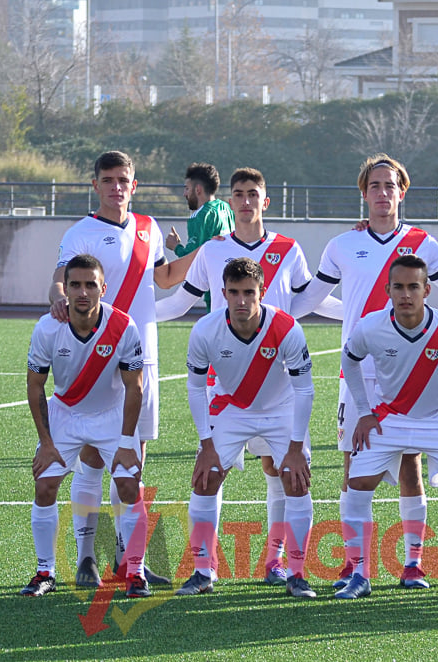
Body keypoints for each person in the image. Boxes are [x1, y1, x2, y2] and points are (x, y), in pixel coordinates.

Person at [291, 153, 438, 590]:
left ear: (402, 192)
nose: (383, 193)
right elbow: (310, 298)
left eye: (391, 186)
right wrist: (267, 321)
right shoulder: (342, 245)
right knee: (354, 467)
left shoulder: (425, 244)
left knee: (410, 462)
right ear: (364, 193)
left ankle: (413, 564)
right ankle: (356, 567)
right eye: (375, 185)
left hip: (411, 373)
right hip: (357, 374)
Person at [157, 166, 339, 586]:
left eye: (253, 193)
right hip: (229, 388)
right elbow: (180, 302)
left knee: (283, 473)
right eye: (238, 193)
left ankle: (281, 565)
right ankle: (204, 569)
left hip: (278, 386)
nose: (245, 200)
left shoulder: (288, 248)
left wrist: (365, 311)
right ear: (230, 200)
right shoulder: (213, 249)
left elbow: (311, 300)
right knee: (208, 475)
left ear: (265, 200)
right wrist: (131, 317)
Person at [48, 150, 187, 589]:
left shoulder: (148, 228)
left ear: (134, 184)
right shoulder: (81, 231)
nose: (116, 186)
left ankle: (130, 561)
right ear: (95, 185)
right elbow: (60, 275)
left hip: (140, 356)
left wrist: (204, 251)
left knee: (133, 461)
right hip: (95, 355)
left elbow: (164, 280)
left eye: (123, 179)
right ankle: (86, 558)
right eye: (107, 179)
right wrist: (57, 297)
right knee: (92, 457)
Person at [337, 254, 438, 600]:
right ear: (388, 290)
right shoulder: (371, 326)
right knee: (357, 485)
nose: (406, 294)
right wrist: (364, 411)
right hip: (389, 417)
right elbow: (350, 359)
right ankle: (360, 574)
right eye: (399, 287)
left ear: (427, 290)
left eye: (414, 287)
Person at [176, 257, 317, 599]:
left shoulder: (285, 328)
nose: (241, 300)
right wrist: (205, 443)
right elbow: (196, 388)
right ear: (223, 293)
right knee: (205, 478)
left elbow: (305, 390)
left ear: (262, 293)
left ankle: (295, 573)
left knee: (295, 482)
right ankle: (203, 570)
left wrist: (296, 448)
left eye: (249, 293)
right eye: (234, 292)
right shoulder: (205, 330)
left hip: (279, 410)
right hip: (231, 408)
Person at [22, 254, 150, 598]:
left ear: (103, 289)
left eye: (90, 285)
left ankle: (135, 573)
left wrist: (126, 441)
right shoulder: (48, 327)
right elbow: (36, 387)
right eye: (75, 284)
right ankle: (44, 571)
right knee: (45, 486)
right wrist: (46, 443)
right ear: (65, 288)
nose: (82, 292)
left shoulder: (124, 327)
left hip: (111, 415)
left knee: (128, 485)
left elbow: (135, 387)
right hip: (65, 413)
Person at [165, 162, 236, 312]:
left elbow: (191, 260)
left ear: (197, 190)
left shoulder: (200, 216)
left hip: (216, 288)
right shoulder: (225, 207)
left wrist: (176, 246)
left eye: (186, 188)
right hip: (234, 281)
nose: (185, 194)